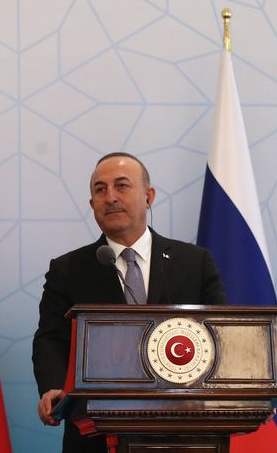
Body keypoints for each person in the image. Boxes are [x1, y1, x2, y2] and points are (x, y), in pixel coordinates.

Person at [32, 152, 227, 453]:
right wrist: (54, 387)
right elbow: (51, 339)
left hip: (184, 430)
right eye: (100, 189)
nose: (110, 197)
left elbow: (221, 335)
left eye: (121, 186)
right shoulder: (68, 269)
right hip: (94, 433)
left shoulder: (194, 262)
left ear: (148, 196)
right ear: (92, 204)